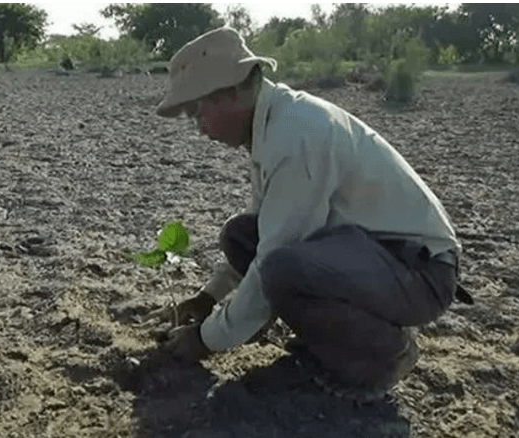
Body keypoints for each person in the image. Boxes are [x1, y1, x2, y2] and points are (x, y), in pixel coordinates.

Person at [145, 27, 470, 401]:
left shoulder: (295, 133)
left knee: (283, 269)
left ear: (231, 93)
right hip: (371, 257)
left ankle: (386, 353)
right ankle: (328, 341)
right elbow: (266, 228)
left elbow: (275, 254)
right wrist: (208, 297)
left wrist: (205, 339)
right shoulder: (273, 124)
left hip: (420, 274)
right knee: (240, 235)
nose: (199, 130)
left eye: (197, 113)